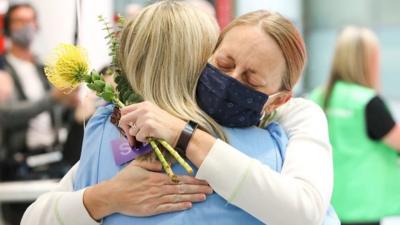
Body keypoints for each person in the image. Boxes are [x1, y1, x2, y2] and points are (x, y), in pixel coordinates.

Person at [22, 1, 337, 225]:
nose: (229, 81)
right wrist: (107, 197)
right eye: (224, 64)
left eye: (252, 80)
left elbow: (303, 211)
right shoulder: (272, 147)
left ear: (278, 100)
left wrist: (184, 135)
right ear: (202, 60)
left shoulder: (107, 135)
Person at [0, 3, 82, 224]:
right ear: (7, 27)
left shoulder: (41, 68)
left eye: (30, 20)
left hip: (53, 161)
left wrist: (68, 103)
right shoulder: (3, 69)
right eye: (19, 21)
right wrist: (52, 99)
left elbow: (54, 115)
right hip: (18, 167)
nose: (27, 26)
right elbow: (5, 115)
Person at [309, 26, 400, 225]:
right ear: (369, 61)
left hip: (326, 206)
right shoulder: (368, 103)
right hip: (363, 209)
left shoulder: (316, 98)